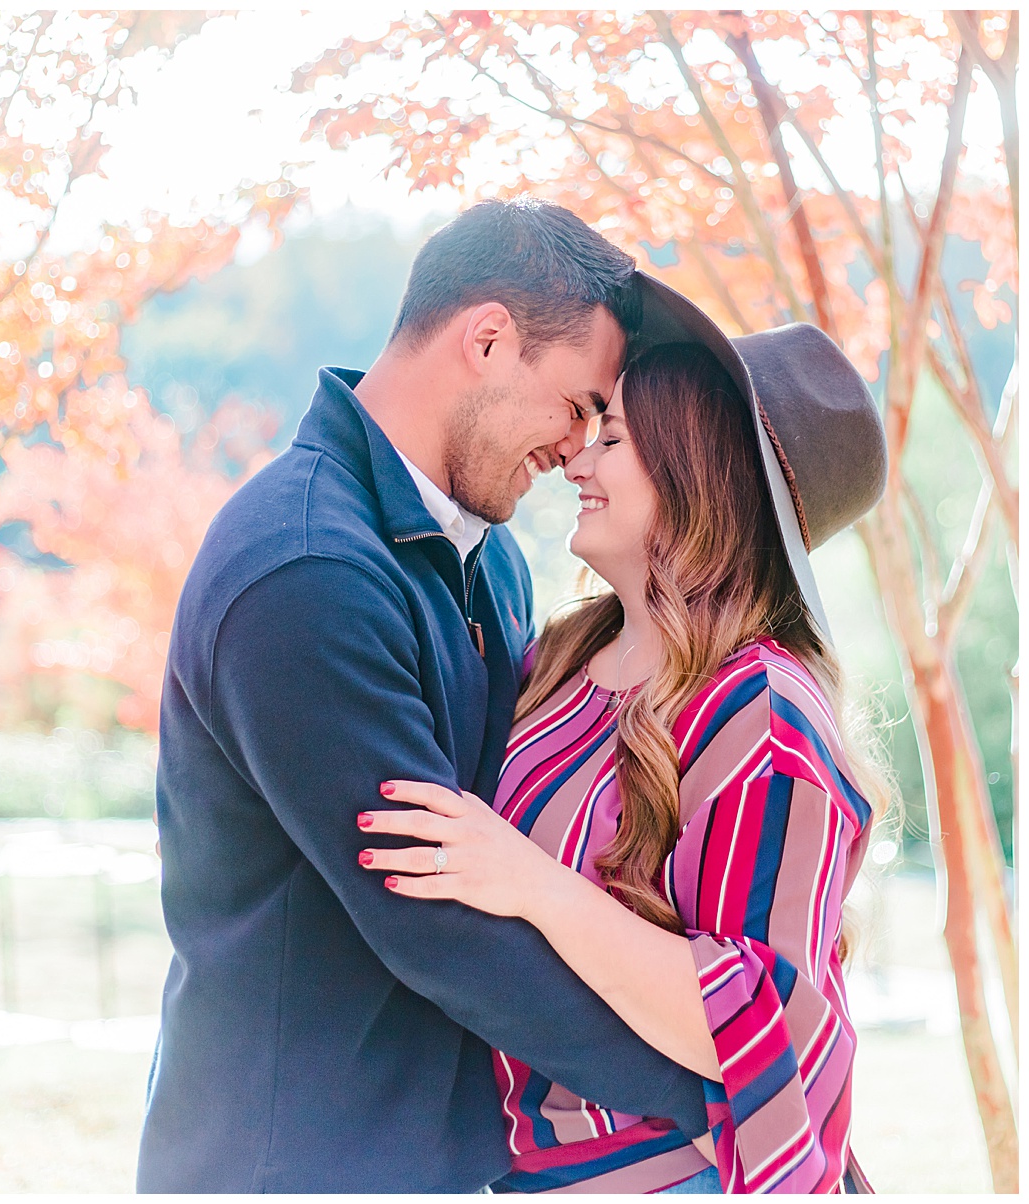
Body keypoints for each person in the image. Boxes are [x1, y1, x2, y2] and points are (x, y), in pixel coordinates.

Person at [136, 199, 713, 1193]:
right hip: (291, 1160)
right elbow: (433, 916)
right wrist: (711, 1090)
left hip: (427, 1154)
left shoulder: (489, 567)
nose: (580, 448)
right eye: (578, 403)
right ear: (488, 341)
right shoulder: (306, 569)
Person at [358, 285, 890, 1193]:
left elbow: (765, 1024)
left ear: (698, 472)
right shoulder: (563, 660)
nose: (576, 460)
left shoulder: (759, 712)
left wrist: (531, 885)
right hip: (526, 1171)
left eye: (612, 440)